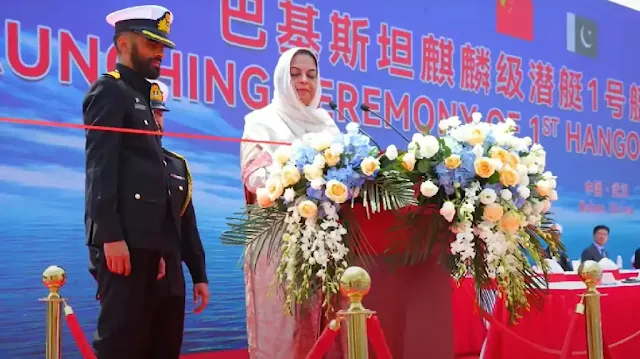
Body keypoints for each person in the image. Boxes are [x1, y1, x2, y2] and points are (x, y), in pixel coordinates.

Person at [83, 5, 180, 359]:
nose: (159, 54)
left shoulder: (142, 96)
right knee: (120, 342)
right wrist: (111, 236)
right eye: (150, 43)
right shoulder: (110, 91)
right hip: (121, 244)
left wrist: (160, 250)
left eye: (161, 46)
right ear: (123, 44)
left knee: (148, 342)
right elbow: (99, 168)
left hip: (146, 245)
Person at [240, 47, 340, 358]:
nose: (303, 81)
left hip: (328, 241)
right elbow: (254, 177)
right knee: (285, 331)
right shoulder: (261, 121)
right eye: (294, 74)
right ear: (282, 78)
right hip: (280, 244)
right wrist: (296, 171)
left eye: (311, 75)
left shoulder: (327, 125)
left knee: (330, 326)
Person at [149, 79, 211, 357]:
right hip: (134, 279)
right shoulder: (119, 161)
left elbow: (187, 226)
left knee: (168, 350)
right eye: (150, 112)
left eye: (160, 113)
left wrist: (199, 276)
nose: (156, 120)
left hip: (173, 282)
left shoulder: (177, 165)